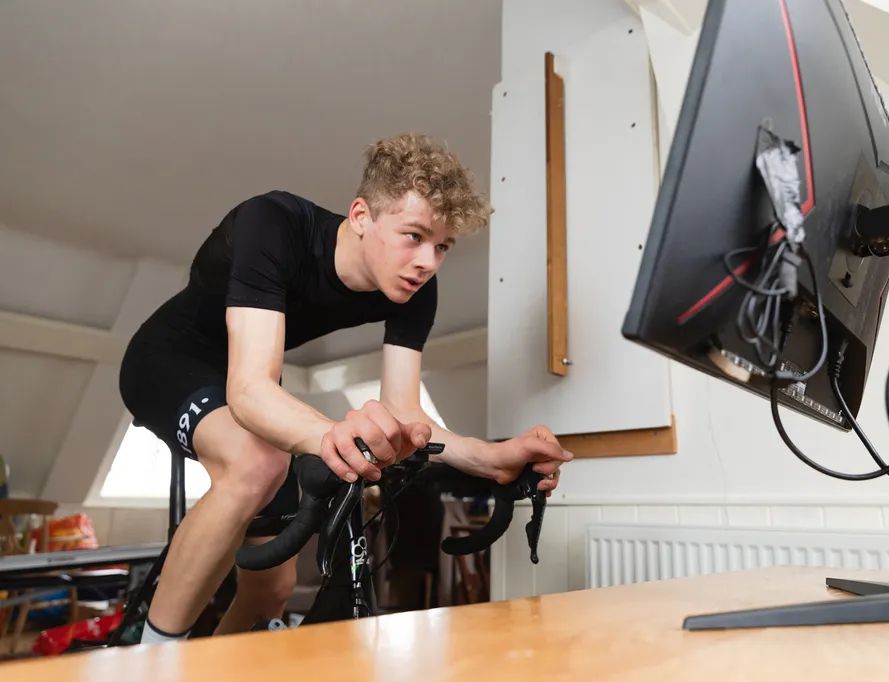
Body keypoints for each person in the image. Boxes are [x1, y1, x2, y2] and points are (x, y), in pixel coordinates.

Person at [118, 133, 572, 643]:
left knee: (270, 591)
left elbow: (406, 414)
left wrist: (491, 458)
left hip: (248, 380)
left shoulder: (415, 290)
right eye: (414, 236)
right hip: (168, 358)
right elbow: (248, 389)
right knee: (256, 462)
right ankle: (152, 662)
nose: (429, 261)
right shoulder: (273, 224)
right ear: (361, 216)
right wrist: (335, 434)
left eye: (442, 246)